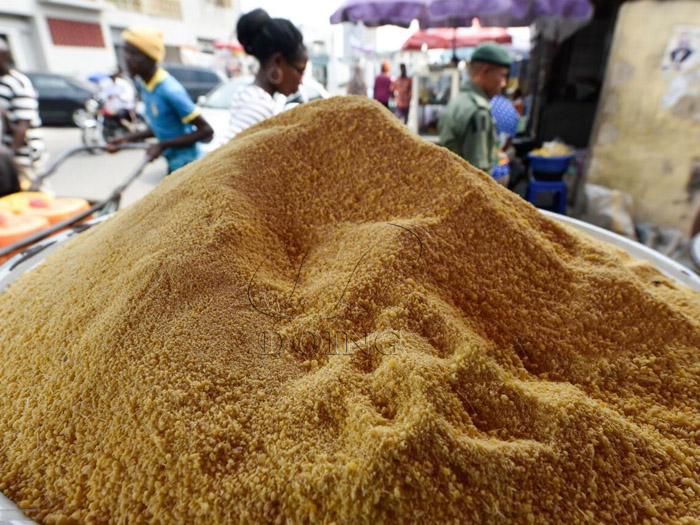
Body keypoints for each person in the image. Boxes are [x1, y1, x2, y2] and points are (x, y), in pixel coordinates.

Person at [107, 27, 213, 174]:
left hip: (189, 167)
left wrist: (162, 146)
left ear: (150, 58)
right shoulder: (146, 86)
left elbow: (206, 131)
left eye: (134, 53)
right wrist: (125, 138)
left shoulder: (170, 90)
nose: (127, 58)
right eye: (126, 52)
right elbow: (161, 126)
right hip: (174, 164)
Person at [218, 8, 307, 146]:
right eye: (300, 70)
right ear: (278, 61)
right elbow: (222, 159)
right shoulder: (260, 106)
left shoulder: (248, 93)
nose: (301, 81)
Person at [438, 42, 511, 174]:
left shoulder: (459, 101)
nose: (503, 83)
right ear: (486, 71)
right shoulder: (478, 111)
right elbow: (480, 175)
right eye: (502, 75)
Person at [0, 37, 43, 195]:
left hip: (21, 154)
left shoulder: (18, 83)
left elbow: (23, 125)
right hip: (5, 157)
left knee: (33, 195)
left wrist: (10, 156)